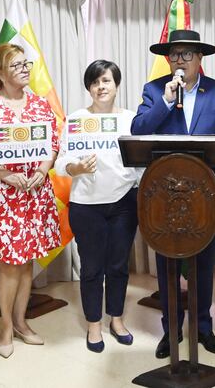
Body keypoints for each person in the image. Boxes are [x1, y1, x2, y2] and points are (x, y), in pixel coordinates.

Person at [131, 29, 215, 359]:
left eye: (187, 54)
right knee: (166, 267)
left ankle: (203, 328)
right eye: (175, 55)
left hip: (205, 194)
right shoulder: (155, 90)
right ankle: (171, 330)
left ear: (200, 59)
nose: (180, 60)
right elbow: (138, 129)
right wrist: (165, 100)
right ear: (168, 60)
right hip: (164, 197)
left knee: (203, 267)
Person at [0, 43, 60, 358]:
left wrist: (43, 171)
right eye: (15, 65)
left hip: (33, 192)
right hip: (1, 194)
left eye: (26, 64)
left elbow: (53, 143)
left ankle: (21, 321)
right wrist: (3, 174)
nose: (24, 69)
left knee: (26, 259)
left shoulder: (40, 105)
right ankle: (5, 325)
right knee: (8, 262)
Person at [54, 60, 140, 353]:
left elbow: (140, 161)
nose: (101, 87)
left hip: (124, 203)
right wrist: (76, 167)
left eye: (106, 81)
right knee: (91, 268)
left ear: (117, 84)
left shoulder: (131, 119)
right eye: (95, 82)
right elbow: (61, 162)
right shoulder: (77, 119)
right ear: (88, 88)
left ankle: (116, 319)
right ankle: (94, 324)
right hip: (86, 205)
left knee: (118, 265)